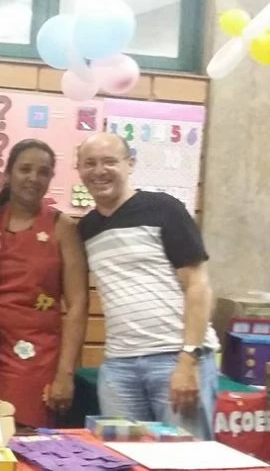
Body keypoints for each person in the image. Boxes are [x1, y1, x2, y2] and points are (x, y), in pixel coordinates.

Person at [76, 133, 219, 440]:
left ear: (130, 164)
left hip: (174, 358)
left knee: (185, 458)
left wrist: (188, 358)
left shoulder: (165, 209)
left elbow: (198, 286)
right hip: (119, 366)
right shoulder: (87, 229)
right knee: (125, 456)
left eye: (109, 161)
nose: (99, 171)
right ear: (79, 170)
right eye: (89, 163)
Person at [0, 139, 89, 427]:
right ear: (7, 174)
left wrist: (65, 373)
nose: (33, 178)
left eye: (43, 172)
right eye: (25, 169)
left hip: (36, 363)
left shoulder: (62, 227)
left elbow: (78, 304)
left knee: (29, 442)